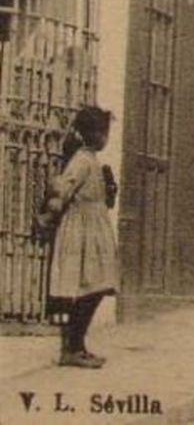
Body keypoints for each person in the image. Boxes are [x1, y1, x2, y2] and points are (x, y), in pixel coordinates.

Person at [42, 106, 118, 367]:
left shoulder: (92, 160)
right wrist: (48, 217)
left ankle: (77, 346)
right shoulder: (83, 160)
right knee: (89, 288)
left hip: (93, 229)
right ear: (91, 134)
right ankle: (72, 349)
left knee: (96, 286)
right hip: (81, 231)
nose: (105, 138)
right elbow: (63, 189)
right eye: (102, 132)